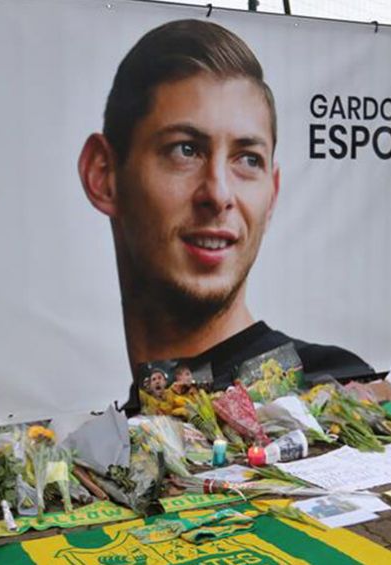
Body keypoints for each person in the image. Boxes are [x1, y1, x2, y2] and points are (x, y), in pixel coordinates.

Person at [77, 19, 372, 413]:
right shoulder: (117, 438)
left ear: (272, 195)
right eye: (185, 150)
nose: (218, 194)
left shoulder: (333, 391)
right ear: (104, 175)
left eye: (248, 159)